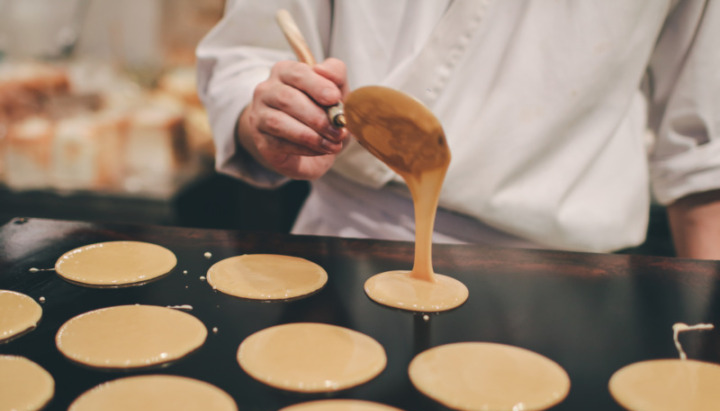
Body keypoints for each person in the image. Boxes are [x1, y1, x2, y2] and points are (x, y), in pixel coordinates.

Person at [196, 0, 720, 258]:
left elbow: (701, 154)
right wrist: (270, 115)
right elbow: (251, 51)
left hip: (571, 277)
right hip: (349, 243)